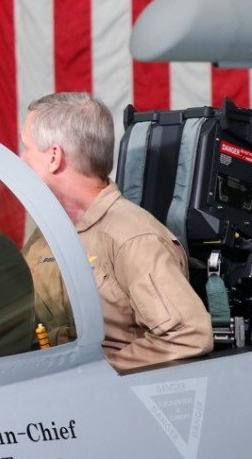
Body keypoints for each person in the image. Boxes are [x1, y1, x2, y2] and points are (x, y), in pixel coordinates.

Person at [18, 92, 213, 371]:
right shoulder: (46, 237)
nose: (21, 159)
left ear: (53, 157)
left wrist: (93, 375)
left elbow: (189, 335)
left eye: (27, 147)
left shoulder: (133, 238)